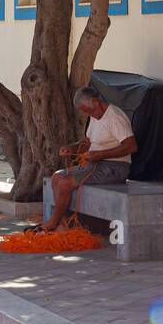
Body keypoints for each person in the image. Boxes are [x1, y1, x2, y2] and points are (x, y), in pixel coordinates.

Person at [38, 85, 137, 232]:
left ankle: (52, 222)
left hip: (115, 167)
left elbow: (131, 147)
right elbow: (88, 143)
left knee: (65, 184)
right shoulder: (95, 115)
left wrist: (100, 154)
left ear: (96, 102)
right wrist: (71, 148)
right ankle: (63, 223)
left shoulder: (114, 117)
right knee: (56, 177)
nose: (86, 114)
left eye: (87, 110)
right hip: (96, 163)